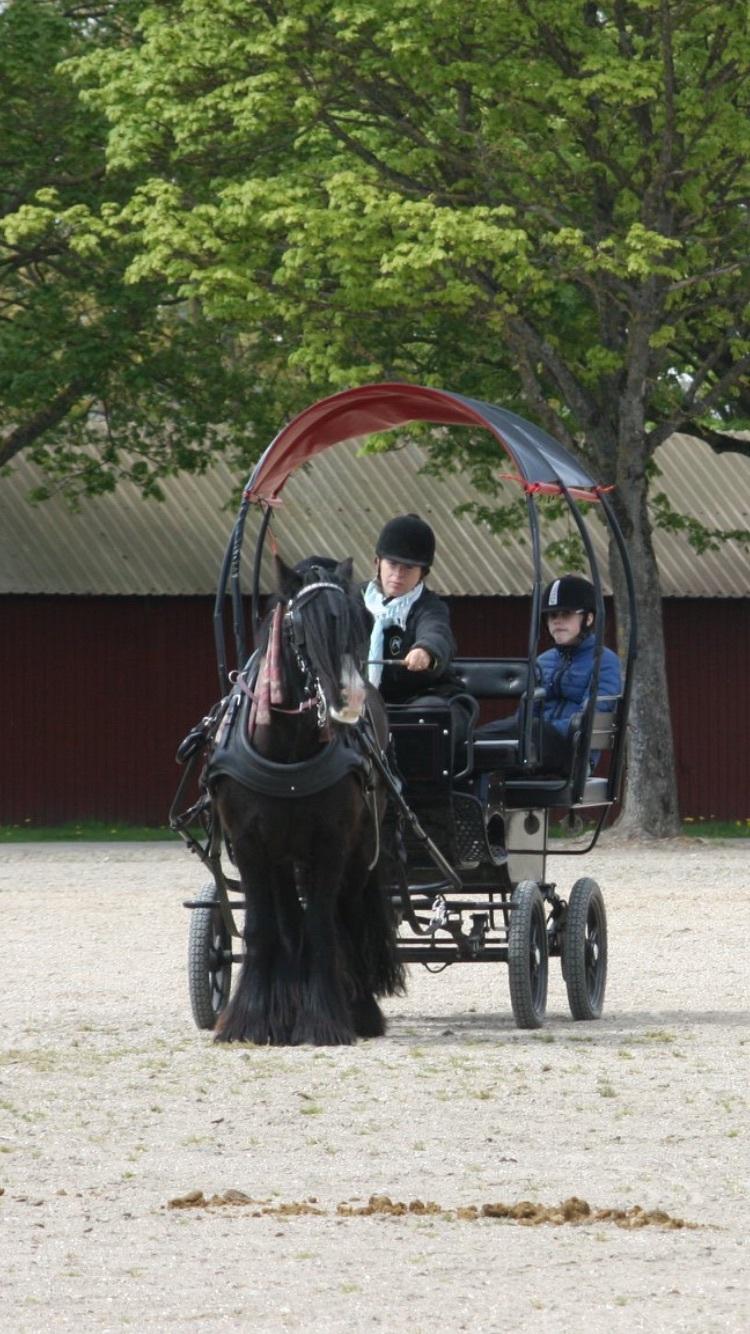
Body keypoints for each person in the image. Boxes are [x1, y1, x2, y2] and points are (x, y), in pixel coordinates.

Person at [477, 573, 622, 777]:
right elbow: (526, 713)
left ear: (588, 618)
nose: (558, 622)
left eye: (566, 614)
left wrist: (541, 728)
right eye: (553, 616)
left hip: (573, 753)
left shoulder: (604, 661)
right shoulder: (543, 661)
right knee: (479, 744)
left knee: (529, 730)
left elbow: (594, 713)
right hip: (535, 747)